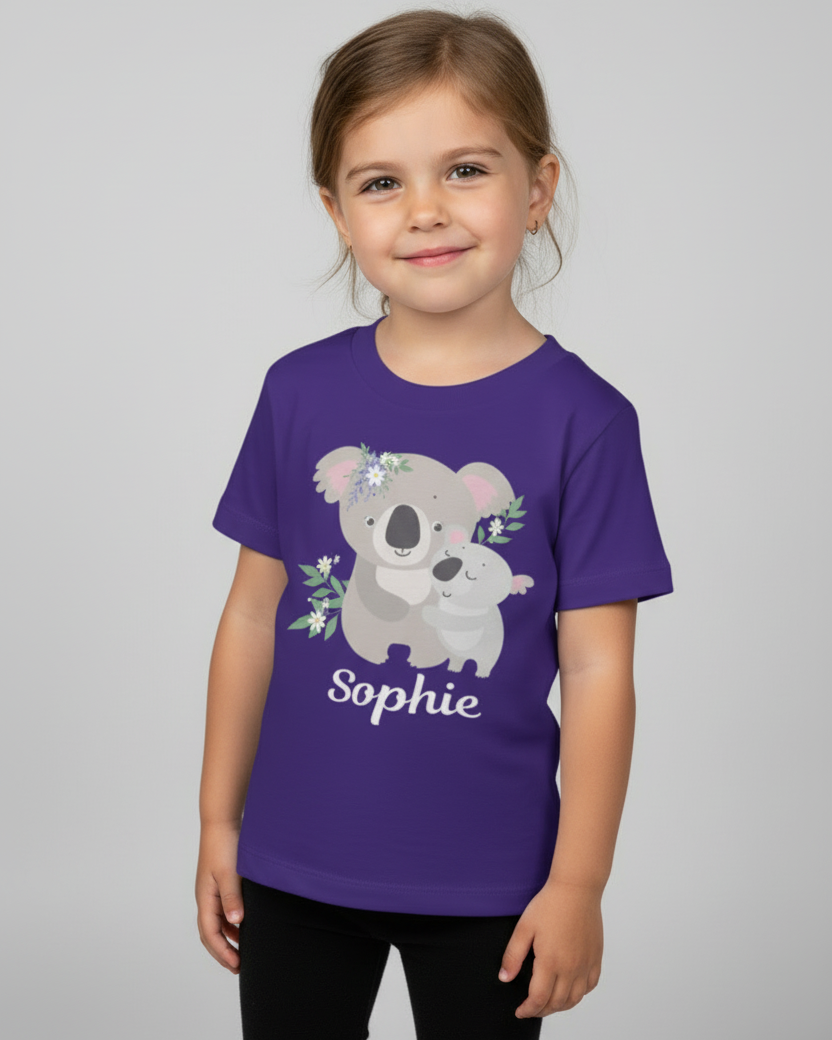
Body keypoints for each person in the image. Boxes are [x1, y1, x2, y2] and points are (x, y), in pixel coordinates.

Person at [195, 9, 674, 1039]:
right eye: (381, 182)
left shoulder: (586, 421)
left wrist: (578, 882)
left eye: (464, 169)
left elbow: (597, 671)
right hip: (292, 863)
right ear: (336, 212)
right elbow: (250, 616)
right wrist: (216, 820)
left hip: (495, 881)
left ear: (536, 188)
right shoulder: (298, 394)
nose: (424, 211)